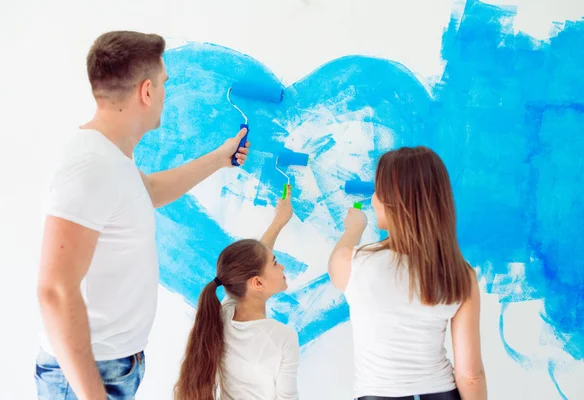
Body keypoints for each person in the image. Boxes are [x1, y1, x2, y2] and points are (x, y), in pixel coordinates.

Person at [35, 30, 251, 400]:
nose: (165, 94)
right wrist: (92, 394)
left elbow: (148, 192)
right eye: (164, 84)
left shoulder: (111, 159)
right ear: (146, 91)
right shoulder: (91, 166)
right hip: (88, 376)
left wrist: (220, 158)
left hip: (113, 366)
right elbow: (54, 290)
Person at [328, 146, 487, 400]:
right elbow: (470, 375)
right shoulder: (459, 274)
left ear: (392, 202)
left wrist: (354, 228)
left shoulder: (355, 264)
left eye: (378, 191)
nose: (373, 198)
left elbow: (336, 261)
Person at [174, 185, 300, 400]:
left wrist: (279, 221)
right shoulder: (282, 337)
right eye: (276, 263)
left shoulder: (223, 316)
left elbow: (251, 264)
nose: (282, 268)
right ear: (258, 283)